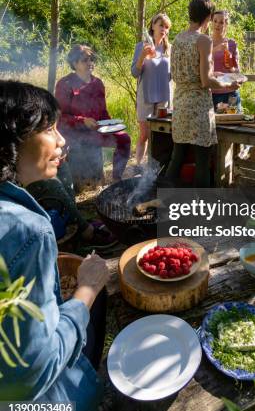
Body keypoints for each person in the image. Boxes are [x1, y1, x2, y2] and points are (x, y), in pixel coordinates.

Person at [0, 80, 109, 411]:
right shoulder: (27, 230)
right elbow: (31, 375)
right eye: (49, 129)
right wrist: (87, 290)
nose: (61, 141)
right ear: (12, 143)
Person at [165, 0, 239, 187]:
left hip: (180, 103)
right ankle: (200, 210)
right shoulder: (203, 40)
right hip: (198, 106)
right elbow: (205, 81)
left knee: (177, 156)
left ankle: (162, 203)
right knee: (202, 161)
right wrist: (227, 84)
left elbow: (183, 72)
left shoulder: (178, 38)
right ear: (207, 17)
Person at [55, 44, 131, 181]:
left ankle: (116, 179)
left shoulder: (97, 83)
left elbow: (103, 112)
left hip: (96, 130)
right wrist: (81, 120)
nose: (90, 63)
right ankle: (76, 182)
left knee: (124, 139)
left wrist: (111, 125)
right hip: (73, 133)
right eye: (85, 60)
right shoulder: (65, 84)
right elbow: (61, 117)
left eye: (91, 60)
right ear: (74, 63)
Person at [26, 160, 117, 250]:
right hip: (33, 168)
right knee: (49, 182)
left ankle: (75, 222)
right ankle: (85, 231)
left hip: (52, 161)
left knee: (62, 168)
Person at [131, 13, 172, 165]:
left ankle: (156, 167)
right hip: (145, 95)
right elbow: (134, 73)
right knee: (144, 135)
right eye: (161, 25)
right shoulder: (141, 46)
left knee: (161, 135)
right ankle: (139, 166)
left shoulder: (169, 49)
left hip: (164, 98)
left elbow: (173, 75)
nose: (164, 29)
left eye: (166, 27)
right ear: (153, 26)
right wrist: (142, 57)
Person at [211, 10, 241, 111]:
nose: (217, 25)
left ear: (226, 25)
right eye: (215, 21)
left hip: (230, 93)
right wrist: (216, 49)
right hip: (210, 94)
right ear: (211, 22)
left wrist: (238, 78)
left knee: (233, 125)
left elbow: (236, 69)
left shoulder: (232, 44)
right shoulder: (205, 43)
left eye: (221, 22)